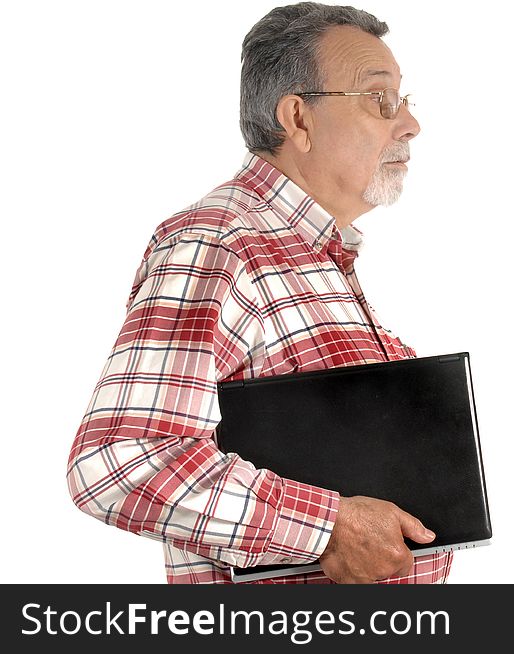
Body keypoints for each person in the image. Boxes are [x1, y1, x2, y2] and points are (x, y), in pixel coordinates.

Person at [66, 2, 452, 585]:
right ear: (299, 119)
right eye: (380, 100)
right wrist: (327, 529)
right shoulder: (218, 244)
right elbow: (121, 460)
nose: (409, 124)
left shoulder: (314, 256)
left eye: (404, 101)